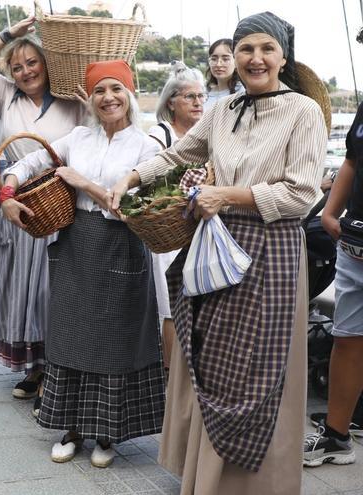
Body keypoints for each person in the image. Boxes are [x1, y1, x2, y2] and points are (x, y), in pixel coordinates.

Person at [110, 12, 326, 493]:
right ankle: (204, 479)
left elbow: (301, 193)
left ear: (283, 57)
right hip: (218, 247)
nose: (255, 58)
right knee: (212, 360)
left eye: (266, 48)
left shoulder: (304, 112)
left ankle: (254, 484)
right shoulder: (224, 109)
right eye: (246, 48)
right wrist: (130, 177)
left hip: (270, 252)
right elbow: (178, 154)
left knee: (256, 369)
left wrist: (228, 195)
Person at [1, 60, 163, 468]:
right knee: (71, 335)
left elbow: (136, 207)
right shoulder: (76, 137)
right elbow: (29, 163)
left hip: (124, 245)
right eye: (99, 91)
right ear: (89, 99)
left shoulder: (147, 148)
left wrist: (83, 183)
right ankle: (71, 426)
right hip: (76, 244)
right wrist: (8, 193)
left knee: (115, 339)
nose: (108, 98)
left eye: (116, 89)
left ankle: (108, 432)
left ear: (129, 94)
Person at [0, 14, 86, 401]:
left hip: (59, 204)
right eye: (17, 66)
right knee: (18, 289)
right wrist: (10, 34)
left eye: (32, 63)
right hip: (16, 203)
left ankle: (59, 367)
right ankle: (35, 369)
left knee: (53, 291)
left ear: (47, 64)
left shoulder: (72, 99)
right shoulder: (5, 96)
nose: (24, 72)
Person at [302, 25, 363, 468]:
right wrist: (329, 213)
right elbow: (351, 160)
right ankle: (338, 435)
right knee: (347, 339)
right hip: (355, 246)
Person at [146, 62, 207, 372]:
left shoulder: (206, 133)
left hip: (198, 226)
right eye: (189, 97)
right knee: (170, 305)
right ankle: (170, 375)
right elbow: (150, 179)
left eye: (201, 96)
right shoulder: (160, 135)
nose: (198, 103)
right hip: (168, 227)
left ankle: (192, 370)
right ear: (171, 102)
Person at [204, 38, 242, 110]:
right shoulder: (203, 93)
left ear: (236, 61)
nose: (218, 64)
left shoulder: (243, 92)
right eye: (214, 59)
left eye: (225, 59)